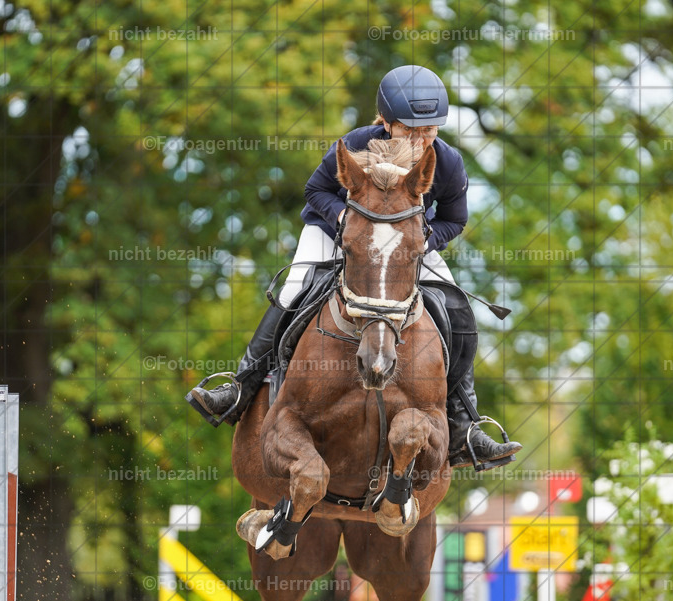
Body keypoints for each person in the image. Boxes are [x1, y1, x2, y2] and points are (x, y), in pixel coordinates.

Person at [188, 65, 522, 468]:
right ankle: (240, 388)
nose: (420, 139)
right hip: (335, 232)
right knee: (295, 289)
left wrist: (416, 243)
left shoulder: (447, 162)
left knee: (457, 308)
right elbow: (315, 190)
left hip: (403, 243)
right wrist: (344, 222)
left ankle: (465, 422)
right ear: (385, 121)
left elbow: (456, 219)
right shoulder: (355, 144)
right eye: (409, 130)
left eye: (429, 130)